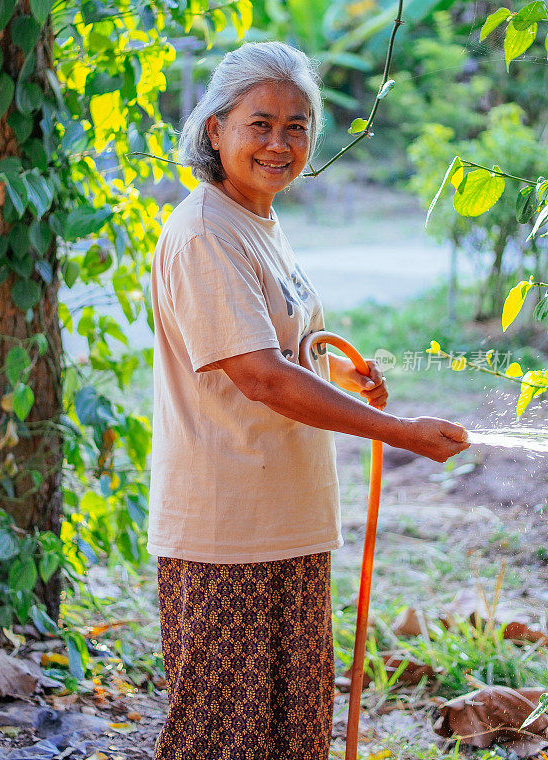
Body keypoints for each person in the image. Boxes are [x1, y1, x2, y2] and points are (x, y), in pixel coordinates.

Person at [147, 40, 470, 760]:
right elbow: (259, 375)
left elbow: (290, 349)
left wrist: (348, 376)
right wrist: (397, 430)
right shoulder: (205, 232)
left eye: (297, 127)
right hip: (227, 532)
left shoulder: (257, 223)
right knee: (222, 740)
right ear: (215, 129)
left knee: (287, 737)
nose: (279, 142)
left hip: (285, 522)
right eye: (260, 123)